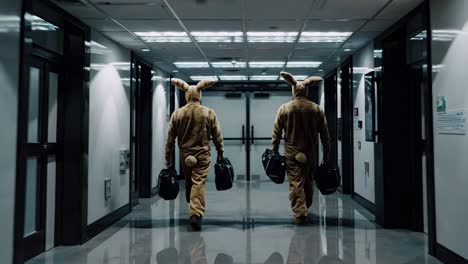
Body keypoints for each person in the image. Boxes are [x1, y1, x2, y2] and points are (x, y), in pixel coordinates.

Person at [165, 78, 224, 231]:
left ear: (187, 96)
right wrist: (220, 152)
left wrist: (168, 160)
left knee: (189, 182)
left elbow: (170, 140)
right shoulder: (208, 113)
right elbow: (217, 135)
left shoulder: (177, 114)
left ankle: (192, 203)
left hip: (185, 156)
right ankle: (195, 213)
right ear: (199, 95)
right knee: (198, 183)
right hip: (203, 155)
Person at [272, 72, 330, 225]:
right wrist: (327, 153)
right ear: (306, 91)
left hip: (292, 152)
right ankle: (306, 205)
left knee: (295, 182)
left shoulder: (285, 109)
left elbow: (276, 132)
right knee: (308, 181)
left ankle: (300, 212)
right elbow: (325, 133)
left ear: (294, 91)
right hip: (310, 152)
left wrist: (275, 149)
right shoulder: (316, 109)